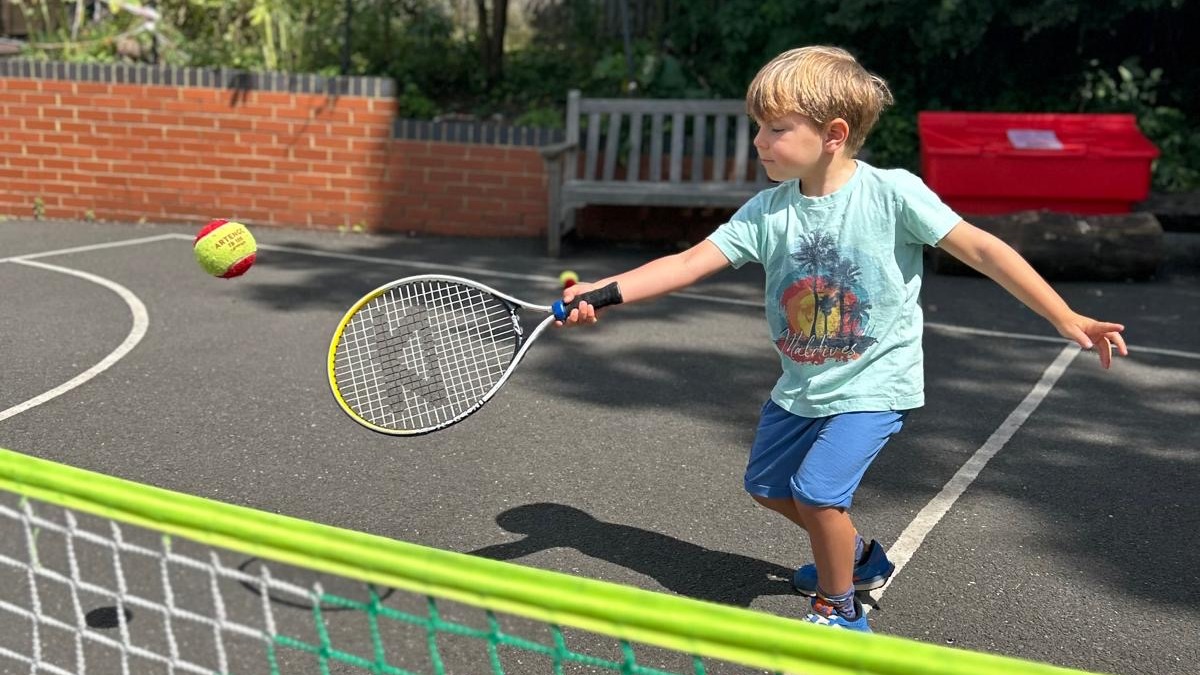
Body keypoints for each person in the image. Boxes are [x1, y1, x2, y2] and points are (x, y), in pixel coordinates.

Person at [555, 45, 1127, 633]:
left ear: (833, 133)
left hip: (876, 382)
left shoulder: (893, 194)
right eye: (759, 127)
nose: (758, 142)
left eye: (776, 129)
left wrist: (1065, 316)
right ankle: (856, 559)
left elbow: (983, 248)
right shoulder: (765, 212)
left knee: (819, 496)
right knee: (767, 487)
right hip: (802, 382)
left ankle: (838, 609)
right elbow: (685, 263)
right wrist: (606, 289)